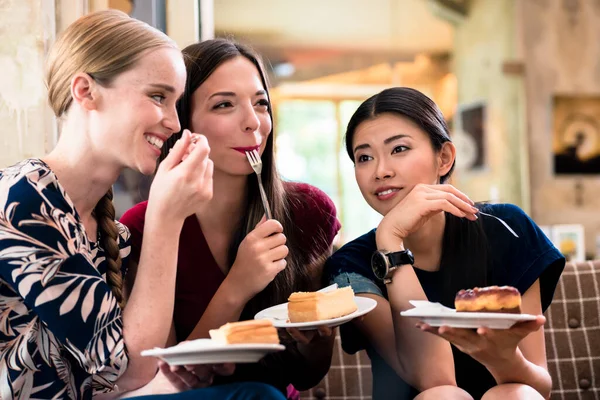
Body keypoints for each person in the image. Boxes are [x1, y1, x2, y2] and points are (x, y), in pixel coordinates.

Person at [0, 10, 285, 400]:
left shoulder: (111, 231)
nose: (173, 122)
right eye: (157, 97)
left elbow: (126, 372)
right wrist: (166, 217)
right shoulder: (24, 198)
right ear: (85, 91)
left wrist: (177, 375)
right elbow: (130, 367)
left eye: (176, 103)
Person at [120, 38, 341, 399]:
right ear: (182, 120)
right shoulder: (142, 228)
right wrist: (237, 286)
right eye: (224, 105)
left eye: (261, 104)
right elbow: (170, 379)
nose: (253, 123)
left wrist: (315, 340)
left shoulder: (309, 211)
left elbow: (308, 374)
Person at [325, 87, 565, 400]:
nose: (381, 171)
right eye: (365, 157)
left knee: (514, 394)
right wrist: (390, 242)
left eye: (399, 149)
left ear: (444, 157)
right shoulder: (349, 267)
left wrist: (502, 357)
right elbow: (435, 379)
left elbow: (540, 387)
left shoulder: (507, 229)